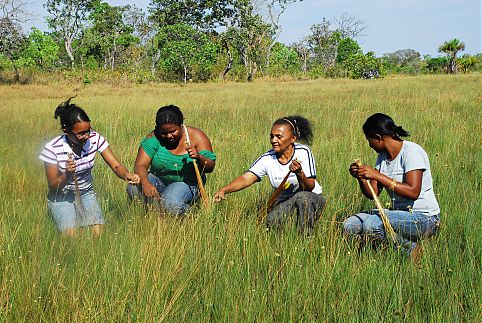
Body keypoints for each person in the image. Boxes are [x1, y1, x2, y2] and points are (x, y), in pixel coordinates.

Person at [39, 97, 139, 236]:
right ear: (66, 131)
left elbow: (115, 165)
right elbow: (53, 186)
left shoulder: (95, 138)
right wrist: (67, 174)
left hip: (86, 192)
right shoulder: (52, 148)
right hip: (61, 196)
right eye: (80, 133)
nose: (86, 136)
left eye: (88, 130)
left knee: (97, 234)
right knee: (71, 236)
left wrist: (127, 175)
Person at [343, 113, 440, 256]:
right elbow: (373, 194)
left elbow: (413, 192)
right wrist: (362, 178)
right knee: (349, 225)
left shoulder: (411, 152)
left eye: (369, 139)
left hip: (424, 218)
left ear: (378, 137)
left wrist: (377, 176)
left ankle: (410, 250)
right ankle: (376, 254)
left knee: (371, 225)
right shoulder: (382, 157)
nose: (369, 145)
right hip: (397, 214)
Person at [213, 116, 326, 233]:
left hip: (313, 200)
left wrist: (299, 173)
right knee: (271, 220)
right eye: (271, 136)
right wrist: (225, 190)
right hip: (285, 203)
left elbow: (309, 187)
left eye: (279, 137)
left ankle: (306, 238)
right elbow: (246, 178)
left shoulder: (303, 152)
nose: (273, 140)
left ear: (292, 138)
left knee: (303, 197)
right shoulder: (267, 158)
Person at [128, 105, 216, 215]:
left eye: (173, 131)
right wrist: (146, 183)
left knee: (171, 203)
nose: (169, 136)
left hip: (187, 183)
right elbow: (140, 165)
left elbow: (210, 167)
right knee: (134, 187)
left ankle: (194, 215)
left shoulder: (196, 136)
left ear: (181, 125)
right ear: (157, 129)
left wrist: (199, 157)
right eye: (164, 133)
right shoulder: (153, 138)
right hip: (159, 180)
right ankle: (156, 217)